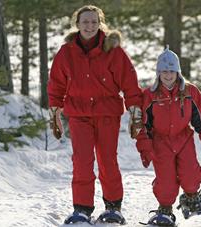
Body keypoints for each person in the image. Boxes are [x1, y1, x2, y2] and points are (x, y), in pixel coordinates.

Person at [47, 5, 143, 225]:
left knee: (107, 160)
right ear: (77, 24)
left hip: (107, 113)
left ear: (100, 24)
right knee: (82, 161)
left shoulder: (113, 50)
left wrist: (135, 110)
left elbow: (129, 82)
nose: (89, 26)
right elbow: (56, 84)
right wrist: (55, 111)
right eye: (85, 22)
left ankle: (113, 207)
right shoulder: (66, 52)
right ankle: (81, 208)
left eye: (93, 22)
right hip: (79, 114)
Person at [135, 46, 201, 226]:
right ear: (158, 72)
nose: (168, 75)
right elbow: (143, 126)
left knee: (189, 174)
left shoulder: (190, 92)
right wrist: (145, 148)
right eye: (164, 71)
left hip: (183, 139)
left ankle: (192, 197)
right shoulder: (150, 95)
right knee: (166, 183)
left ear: (178, 72)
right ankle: (165, 208)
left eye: (172, 71)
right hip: (160, 142)